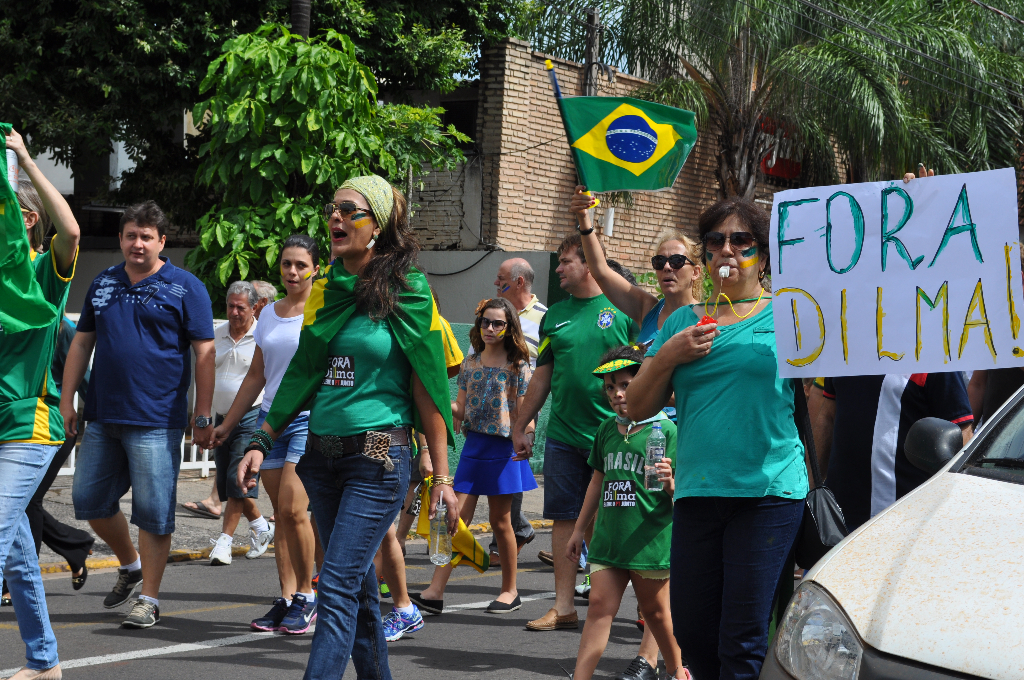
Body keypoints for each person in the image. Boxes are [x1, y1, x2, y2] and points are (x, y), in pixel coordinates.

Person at [236, 175, 459, 679]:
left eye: (349, 210)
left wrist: (441, 476)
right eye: (332, 209)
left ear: (376, 227)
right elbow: (303, 372)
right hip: (321, 458)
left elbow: (429, 386)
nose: (335, 218)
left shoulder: (410, 291)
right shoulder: (329, 290)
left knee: (333, 587)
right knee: (356, 593)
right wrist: (261, 437)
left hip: (379, 458)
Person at [628, 197, 808, 680]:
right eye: (715, 240)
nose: (727, 249)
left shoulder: (793, 315)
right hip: (697, 493)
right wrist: (668, 355)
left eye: (741, 240)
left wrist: (916, 209)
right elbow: (639, 406)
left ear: (764, 256)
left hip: (768, 493)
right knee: (694, 633)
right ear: (705, 255)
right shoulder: (682, 323)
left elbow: (872, 312)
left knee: (743, 639)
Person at [62, 200, 215, 630]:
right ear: (121, 239)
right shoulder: (104, 282)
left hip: (156, 417)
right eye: (131, 235)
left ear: (162, 241)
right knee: (88, 501)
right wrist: (67, 398)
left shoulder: (185, 287)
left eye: (147, 236)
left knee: (152, 512)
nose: (138, 243)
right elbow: (81, 342)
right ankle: (129, 564)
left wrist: (202, 414)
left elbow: (204, 351)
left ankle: (149, 597)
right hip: (103, 414)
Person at [511, 232, 637, 632]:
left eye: (566, 261)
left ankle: (625, 607)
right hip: (564, 436)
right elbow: (542, 376)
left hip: (616, 435)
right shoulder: (555, 316)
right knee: (564, 519)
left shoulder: (623, 311)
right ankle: (564, 608)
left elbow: (646, 370)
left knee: (615, 521)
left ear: (588, 263)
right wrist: (521, 425)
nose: (559, 268)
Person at [0, 126, 79, 680]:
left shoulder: (41, 276)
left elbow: (71, 229)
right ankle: (45, 662)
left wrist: (24, 159)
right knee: (21, 557)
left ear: (22, 219)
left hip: (30, 426)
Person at [212, 235, 321, 633]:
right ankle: (288, 597)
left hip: (311, 416)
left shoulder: (321, 309)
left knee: (295, 511)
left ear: (315, 268)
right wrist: (226, 423)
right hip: (271, 420)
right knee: (281, 516)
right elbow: (257, 375)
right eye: (287, 264)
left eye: (300, 265)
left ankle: (309, 598)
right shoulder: (270, 313)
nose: (292, 271)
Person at [568, 344, 687, 680]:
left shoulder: (668, 431)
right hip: (608, 539)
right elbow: (596, 482)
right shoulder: (607, 429)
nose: (617, 393)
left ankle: (678, 671)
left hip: (649, 541)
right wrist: (579, 531)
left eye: (625, 384)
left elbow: (684, 496)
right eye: (610, 387)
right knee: (598, 608)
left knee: (657, 613)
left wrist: (669, 483)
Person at [411, 297, 536, 617]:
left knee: (501, 521)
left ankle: (511, 590)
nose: (490, 328)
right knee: (455, 520)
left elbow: (526, 411)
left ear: (509, 328)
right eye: (485, 322)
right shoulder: (470, 364)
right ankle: (435, 592)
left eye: (498, 323)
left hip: (503, 448)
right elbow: (462, 409)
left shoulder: (518, 365)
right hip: (474, 447)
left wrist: (528, 434)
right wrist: (436, 396)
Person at [813, 374, 972, 531]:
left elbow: (961, 435)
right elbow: (827, 416)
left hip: (903, 521)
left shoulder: (930, 356)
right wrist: (812, 490)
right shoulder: (842, 351)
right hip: (835, 517)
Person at [203, 281, 275, 566]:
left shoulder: (263, 335)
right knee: (226, 482)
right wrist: (205, 418)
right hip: (220, 418)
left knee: (238, 478)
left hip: (251, 416)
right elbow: (206, 375)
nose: (234, 312)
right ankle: (260, 527)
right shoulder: (217, 334)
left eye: (240, 307)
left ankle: (225, 541)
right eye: (230, 306)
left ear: (254, 307)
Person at [487, 258, 547, 565]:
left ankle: (508, 536)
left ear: (519, 281)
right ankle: (516, 529)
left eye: (501, 279)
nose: (496, 284)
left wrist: (529, 420)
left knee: (512, 472)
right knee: (497, 474)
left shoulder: (543, 318)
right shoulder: (492, 312)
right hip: (489, 410)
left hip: (523, 408)